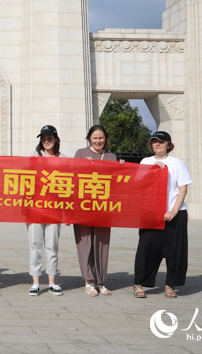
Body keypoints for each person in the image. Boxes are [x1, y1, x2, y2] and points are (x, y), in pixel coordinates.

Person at [133, 131, 192, 299]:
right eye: (154, 141)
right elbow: (138, 184)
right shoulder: (146, 161)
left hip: (175, 214)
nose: (157, 144)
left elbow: (183, 188)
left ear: (168, 144)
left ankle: (170, 285)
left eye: (161, 141)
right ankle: (139, 283)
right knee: (147, 248)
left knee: (174, 251)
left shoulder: (177, 163)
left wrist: (173, 210)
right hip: (151, 213)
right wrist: (152, 170)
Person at [73, 125, 121, 296]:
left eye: (101, 138)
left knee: (101, 244)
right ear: (89, 139)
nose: (98, 141)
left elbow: (117, 180)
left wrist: (122, 167)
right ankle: (88, 281)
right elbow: (73, 177)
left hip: (103, 209)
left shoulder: (110, 156)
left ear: (105, 138)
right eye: (94, 138)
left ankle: (101, 281)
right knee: (85, 244)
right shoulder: (80, 153)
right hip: (84, 208)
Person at [28, 125, 65, 296]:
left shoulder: (63, 158)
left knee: (52, 246)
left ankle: (52, 281)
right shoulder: (34, 157)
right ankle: (35, 281)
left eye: (49, 138)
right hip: (35, 208)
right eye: (43, 139)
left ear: (56, 139)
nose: (46, 141)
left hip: (55, 208)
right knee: (35, 245)